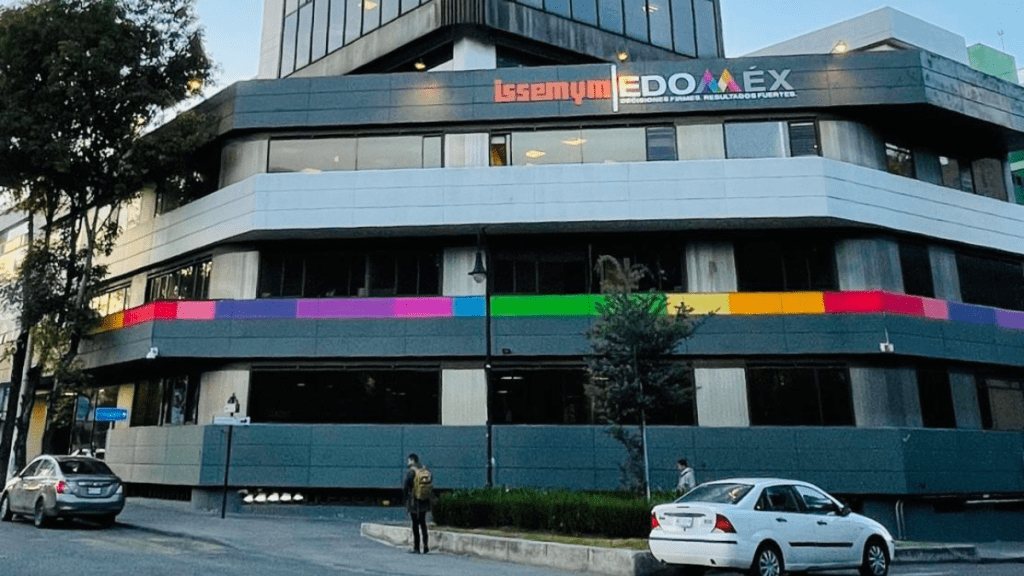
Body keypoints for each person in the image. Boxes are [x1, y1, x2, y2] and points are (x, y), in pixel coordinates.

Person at [402, 453, 431, 554]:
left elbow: (406, 486)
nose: (408, 462)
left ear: (412, 460)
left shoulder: (411, 472)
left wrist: (405, 499)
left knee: (415, 524)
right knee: (423, 523)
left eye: (409, 460)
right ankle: (426, 546)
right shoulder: (424, 470)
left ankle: (417, 547)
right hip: (424, 501)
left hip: (414, 502)